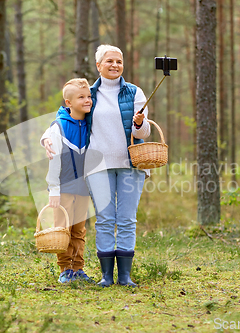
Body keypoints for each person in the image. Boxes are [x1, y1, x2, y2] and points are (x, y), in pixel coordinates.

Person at [43, 45, 150, 287]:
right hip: (97, 167)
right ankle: (106, 276)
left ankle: (124, 276)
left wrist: (140, 123)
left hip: (130, 164)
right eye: (109, 61)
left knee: (126, 219)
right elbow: (65, 119)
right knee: (104, 218)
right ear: (98, 65)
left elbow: (144, 131)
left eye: (119, 61)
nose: (115, 65)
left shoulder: (135, 92)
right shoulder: (88, 94)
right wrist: (46, 138)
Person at [46, 78, 93, 283]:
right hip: (64, 187)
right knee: (63, 229)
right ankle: (65, 269)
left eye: (89, 96)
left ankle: (78, 268)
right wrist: (53, 190)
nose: (88, 100)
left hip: (84, 187)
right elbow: (54, 160)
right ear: (68, 103)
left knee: (79, 230)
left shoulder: (91, 123)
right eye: (81, 97)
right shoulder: (59, 127)